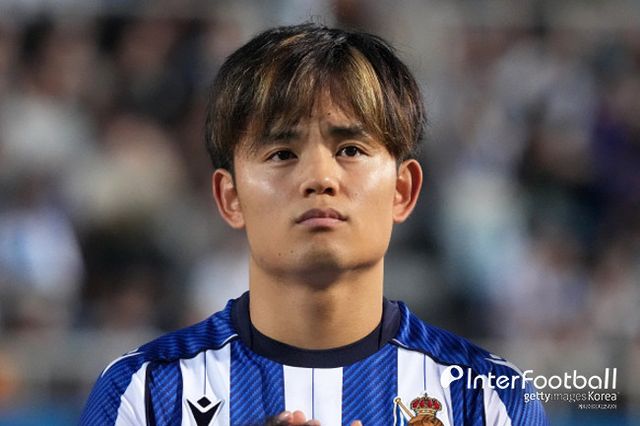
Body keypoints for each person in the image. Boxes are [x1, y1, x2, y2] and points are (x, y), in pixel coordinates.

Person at [80, 23, 548, 426]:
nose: (320, 178)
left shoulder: (490, 399)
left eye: (350, 150)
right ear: (230, 197)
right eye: (282, 153)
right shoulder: (143, 393)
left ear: (402, 191)